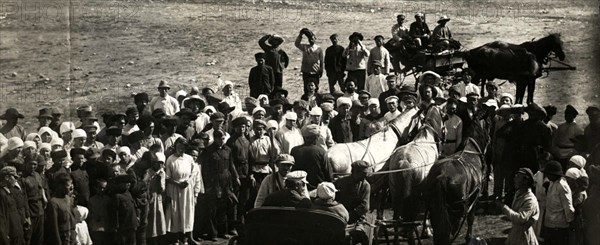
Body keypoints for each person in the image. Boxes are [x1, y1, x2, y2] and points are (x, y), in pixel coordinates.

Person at [199, 131, 239, 240]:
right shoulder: (208, 151)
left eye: (223, 138)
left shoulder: (228, 150)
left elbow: (231, 165)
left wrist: (236, 178)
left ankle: (223, 231)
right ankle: (213, 233)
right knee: (213, 209)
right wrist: (208, 185)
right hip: (214, 181)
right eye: (220, 138)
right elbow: (205, 170)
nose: (222, 140)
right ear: (215, 139)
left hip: (226, 181)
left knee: (224, 207)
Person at [165, 138, 203, 244]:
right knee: (176, 212)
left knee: (187, 212)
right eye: (179, 147)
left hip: (187, 189)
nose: (180, 149)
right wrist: (177, 183)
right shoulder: (170, 159)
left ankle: (187, 239)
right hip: (175, 189)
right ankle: (176, 239)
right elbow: (167, 177)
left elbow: (194, 173)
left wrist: (188, 182)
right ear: (175, 147)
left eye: (183, 147)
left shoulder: (189, 158)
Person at [494, 168, 540, 245]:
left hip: (524, 237)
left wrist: (503, 207)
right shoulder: (518, 193)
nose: (514, 179)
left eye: (518, 177)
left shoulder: (530, 200)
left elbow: (520, 219)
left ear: (525, 181)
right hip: (515, 234)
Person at [334, 160, 372, 244]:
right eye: (363, 174)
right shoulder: (340, 182)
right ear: (354, 172)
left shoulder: (365, 185)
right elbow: (334, 199)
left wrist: (349, 217)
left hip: (356, 219)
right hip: (340, 217)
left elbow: (364, 207)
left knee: (363, 238)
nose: (365, 176)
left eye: (366, 174)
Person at [291, 124, 333, 190]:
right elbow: (328, 174)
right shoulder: (321, 152)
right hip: (317, 189)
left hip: (298, 188)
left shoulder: (294, 151)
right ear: (316, 138)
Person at [542, 161, 575, 245]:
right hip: (550, 225)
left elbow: (568, 207)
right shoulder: (552, 183)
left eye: (548, 174)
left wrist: (570, 222)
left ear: (554, 174)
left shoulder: (562, 186)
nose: (547, 176)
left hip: (559, 227)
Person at [45, 172, 77, 245]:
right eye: (68, 185)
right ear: (59, 186)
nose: (71, 187)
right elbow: (53, 226)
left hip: (72, 236)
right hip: (63, 238)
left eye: (71, 184)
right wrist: (58, 242)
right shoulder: (53, 202)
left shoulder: (68, 198)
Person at [19, 159, 46, 245]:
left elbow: (41, 188)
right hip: (30, 211)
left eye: (35, 164)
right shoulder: (22, 178)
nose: (32, 166)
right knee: (28, 237)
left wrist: (44, 199)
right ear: (25, 164)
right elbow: (24, 198)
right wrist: (27, 216)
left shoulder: (37, 175)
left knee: (39, 238)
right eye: (30, 164)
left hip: (40, 210)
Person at [144, 152, 167, 245]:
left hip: (158, 198)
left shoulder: (162, 173)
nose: (159, 165)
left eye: (161, 163)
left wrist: (160, 179)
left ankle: (157, 240)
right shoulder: (148, 172)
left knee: (158, 220)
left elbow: (162, 189)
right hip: (149, 197)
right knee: (149, 220)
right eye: (157, 162)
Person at [551, 105, 584, 170]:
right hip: (559, 152)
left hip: (571, 152)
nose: (567, 117)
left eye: (569, 115)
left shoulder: (578, 129)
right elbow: (555, 141)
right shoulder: (560, 127)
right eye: (566, 115)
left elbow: (579, 145)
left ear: (574, 116)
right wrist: (555, 150)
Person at [109, 174, 138, 245]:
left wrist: (137, 217)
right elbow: (114, 213)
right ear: (120, 184)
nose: (128, 184)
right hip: (123, 227)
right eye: (126, 183)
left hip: (132, 225)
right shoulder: (117, 196)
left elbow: (134, 207)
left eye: (129, 183)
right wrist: (116, 226)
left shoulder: (128, 193)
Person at [0, 166, 25, 245]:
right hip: (10, 236)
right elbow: (1, 218)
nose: (16, 180)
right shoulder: (2, 194)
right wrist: (5, 237)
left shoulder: (8, 192)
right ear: (7, 177)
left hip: (17, 233)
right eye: (14, 177)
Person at [295, 28, 324, 93]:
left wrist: (321, 70)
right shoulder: (305, 47)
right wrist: (300, 35)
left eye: (312, 38)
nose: (311, 40)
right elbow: (297, 44)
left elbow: (321, 60)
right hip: (306, 71)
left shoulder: (318, 49)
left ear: (315, 39)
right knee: (306, 87)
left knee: (315, 87)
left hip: (315, 71)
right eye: (309, 39)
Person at [88, 179, 110, 245]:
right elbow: (90, 214)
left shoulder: (108, 199)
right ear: (96, 188)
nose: (102, 190)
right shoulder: (91, 200)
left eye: (104, 188)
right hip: (96, 228)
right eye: (100, 188)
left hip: (107, 227)